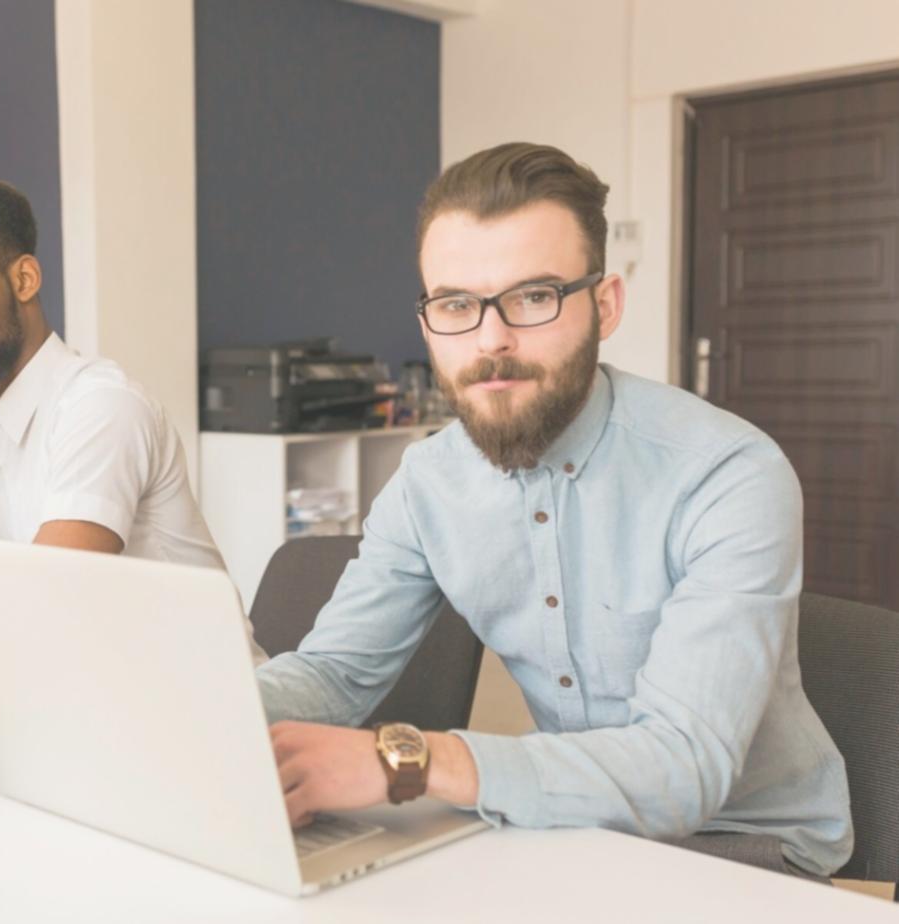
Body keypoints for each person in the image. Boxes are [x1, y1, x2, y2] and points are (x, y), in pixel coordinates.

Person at [258, 142, 853, 879]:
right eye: (454, 305)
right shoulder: (426, 482)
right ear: (426, 320)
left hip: (747, 846)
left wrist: (408, 761)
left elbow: (682, 765)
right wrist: (197, 704)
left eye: (533, 297)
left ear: (603, 304)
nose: (490, 340)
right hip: (567, 828)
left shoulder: (726, 473)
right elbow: (335, 676)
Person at [0, 175, 256, 663]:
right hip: (88, 703)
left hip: (205, 710)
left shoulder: (101, 407)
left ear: (23, 279)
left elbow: (41, 611)